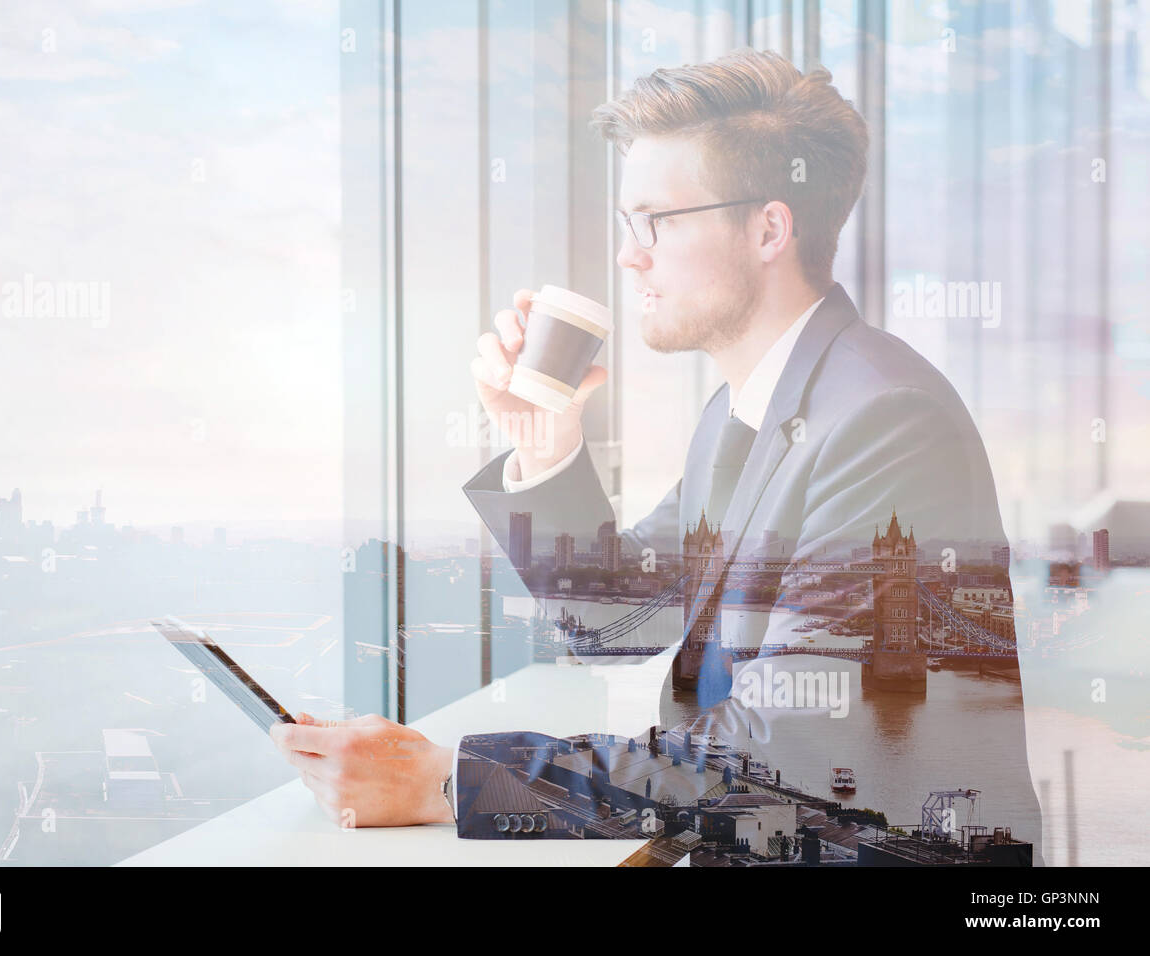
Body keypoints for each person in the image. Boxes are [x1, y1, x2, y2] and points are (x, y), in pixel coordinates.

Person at [272, 49, 1043, 858]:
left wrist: (446, 781)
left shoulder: (887, 422)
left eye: (654, 221)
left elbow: (782, 765)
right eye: (624, 224)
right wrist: (546, 444)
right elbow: (620, 623)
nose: (628, 255)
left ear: (768, 228)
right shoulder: (743, 415)